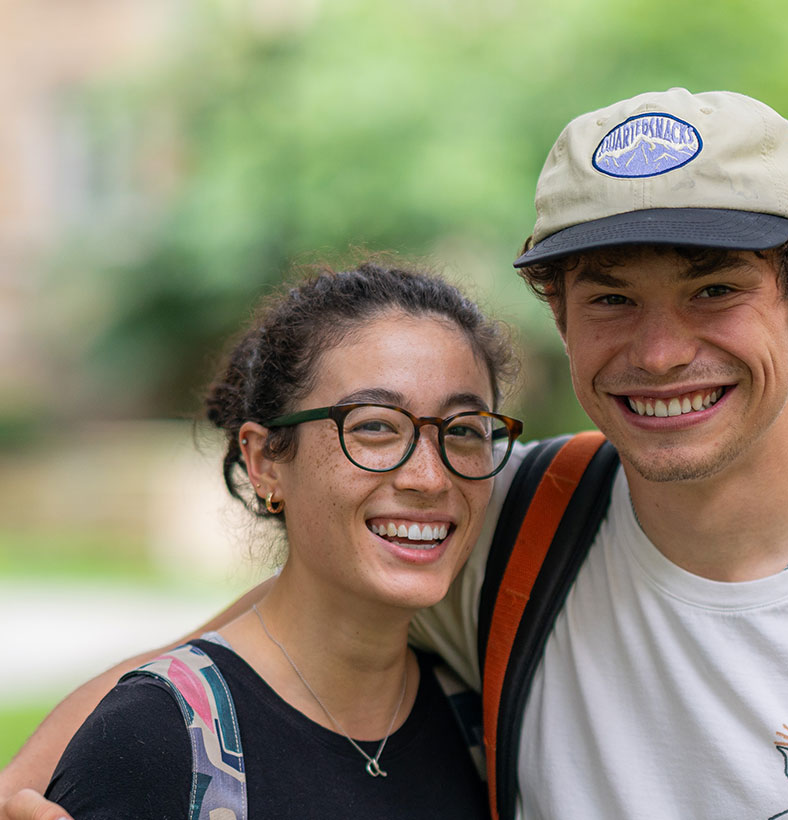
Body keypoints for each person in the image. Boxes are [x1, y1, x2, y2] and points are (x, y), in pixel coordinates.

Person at [0, 89, 788, 820]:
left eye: (713, 292)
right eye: (611, 298)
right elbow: (262, 639)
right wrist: (15, 787)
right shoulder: (503, 521)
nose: (661, 352)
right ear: (559, 316)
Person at [39, 263, 518, 819]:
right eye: (375, 426)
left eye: (462, 431)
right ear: (265, 461)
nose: (430, 477)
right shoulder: (156, 738)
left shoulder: (476, 725)